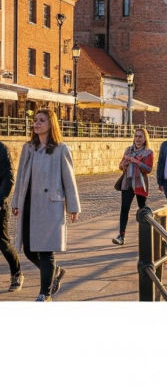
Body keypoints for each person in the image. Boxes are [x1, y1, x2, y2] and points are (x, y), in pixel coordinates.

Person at [11, 110, 81, 301]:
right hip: (29, 204)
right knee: (28, 249)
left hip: (50, 206)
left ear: (51, 124)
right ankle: (55, 272)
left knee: (45, 250)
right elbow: (21, 178)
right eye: (35, 120)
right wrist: (16, 201)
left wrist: (73, 207)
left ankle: (45, 294)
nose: (37, 123)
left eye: (42, 121)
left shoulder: (61, 149)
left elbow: (69, 179)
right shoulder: (28, 148)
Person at [112, 128, 154, 245]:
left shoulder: (148, 152)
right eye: (136, 136)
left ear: (145, 139)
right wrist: (123, 164)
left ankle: (147, 235)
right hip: (128, 182)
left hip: (140, 183)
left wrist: (136, 161)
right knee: (124, 209)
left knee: (142, 209)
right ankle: (121, 236)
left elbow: (149, 169)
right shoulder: (128, 150)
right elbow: (120, 166)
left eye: (140, 137)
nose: (138, 139)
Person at [0, 139, 22, 292]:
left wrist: (1, 199)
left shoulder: (2, 149)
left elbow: (9, 178)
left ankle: (17, 273)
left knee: (3, 242)